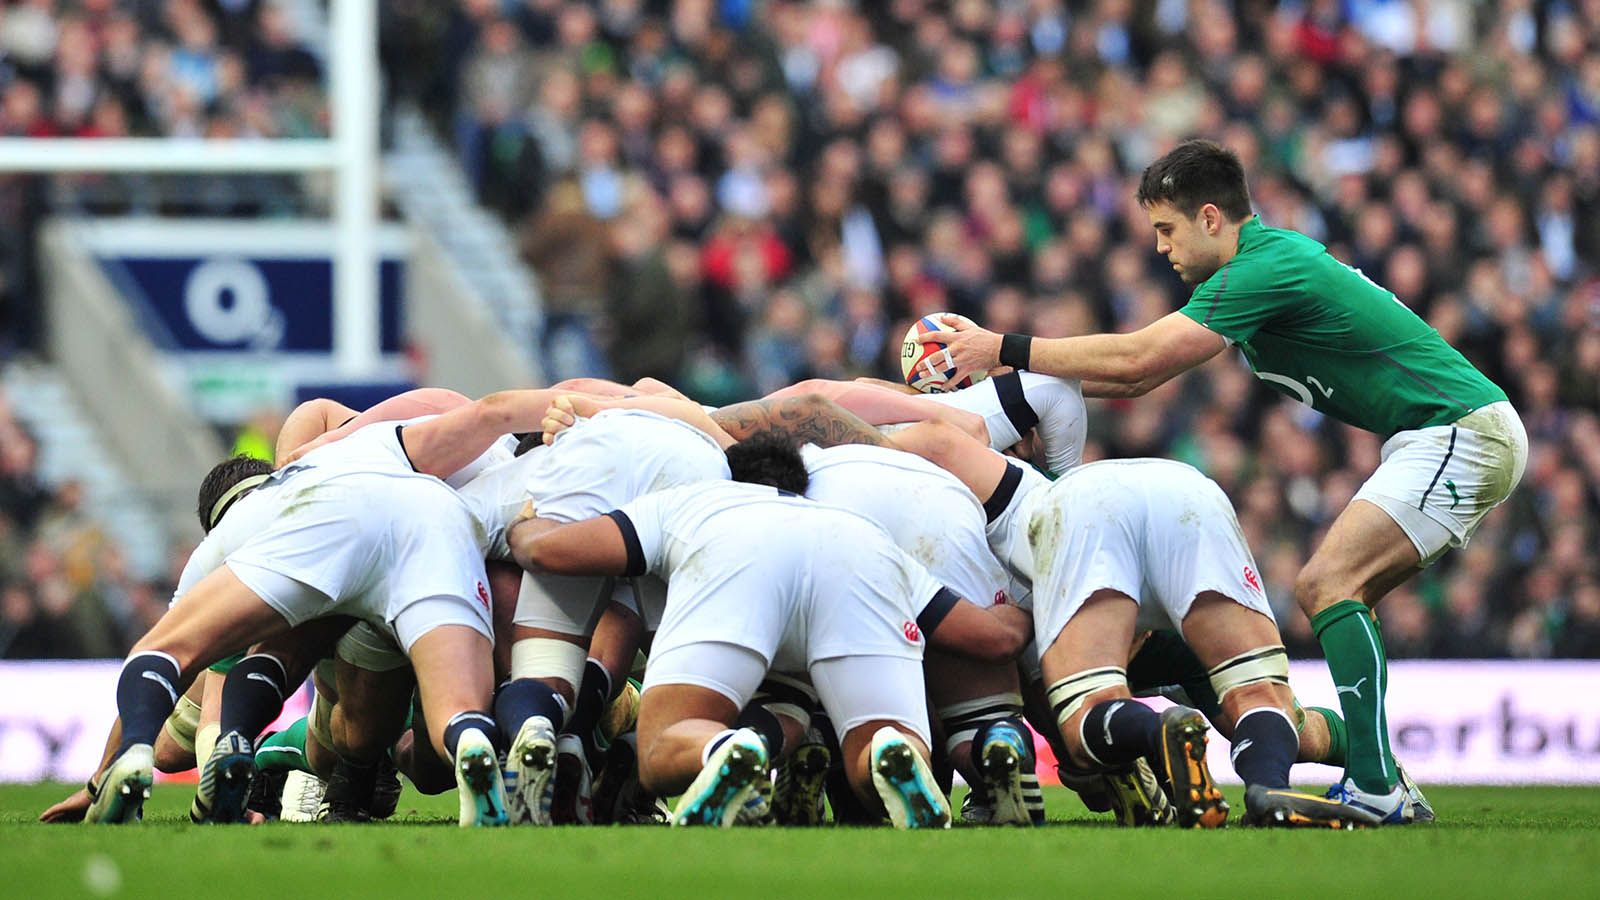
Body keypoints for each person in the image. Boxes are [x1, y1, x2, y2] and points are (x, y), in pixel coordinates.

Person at [918, 139, 1525, 823]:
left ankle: (1378, 786)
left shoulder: (1262, 267)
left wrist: (999, 348)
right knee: (1340, 593)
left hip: (1459, 430)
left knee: (1327, 585)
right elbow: (1130, 379)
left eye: (1166, 229)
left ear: (1211, 218)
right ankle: (1377, 776)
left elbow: (1140, 361)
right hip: (1440, 435)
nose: (1159, 248)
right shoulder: (1261, 269)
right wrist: (1013, 379)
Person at [508, 437, 1035, 828]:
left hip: (737, 559)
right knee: (875, 747)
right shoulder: (860, 529)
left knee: (664, 748)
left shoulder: (697, 499)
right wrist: (1024, 609)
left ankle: (725, 748)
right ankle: (891, 752)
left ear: (729, 476)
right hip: (857, 566)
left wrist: (525, 525)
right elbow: (995, 640)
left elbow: (551, 552)